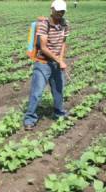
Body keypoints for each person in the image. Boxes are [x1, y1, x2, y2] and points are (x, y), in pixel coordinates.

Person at [23, 0, 70, 131]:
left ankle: (59, 113)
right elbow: (43, 47)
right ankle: (29, 119)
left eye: (63, 11)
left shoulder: (65, 24)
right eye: (58, 10)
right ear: (52, 9)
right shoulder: (44, 25)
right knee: (37, 92)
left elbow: (63, 43)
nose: (60, 13)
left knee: (58, 90)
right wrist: (58, 60)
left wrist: (60, 59)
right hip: (43, 63)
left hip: (56, 63)